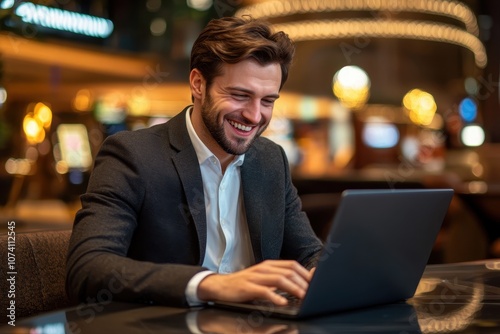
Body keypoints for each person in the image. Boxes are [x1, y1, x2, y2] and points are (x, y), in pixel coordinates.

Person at [66, 16, 323, 308]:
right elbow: (86, 270)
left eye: (267, 101)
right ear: (198, 84)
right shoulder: (132, 155)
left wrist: (321, 274)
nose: (254, 116)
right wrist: (209, 284)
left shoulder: (271, 159)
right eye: (240, 95)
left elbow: (310, 253)